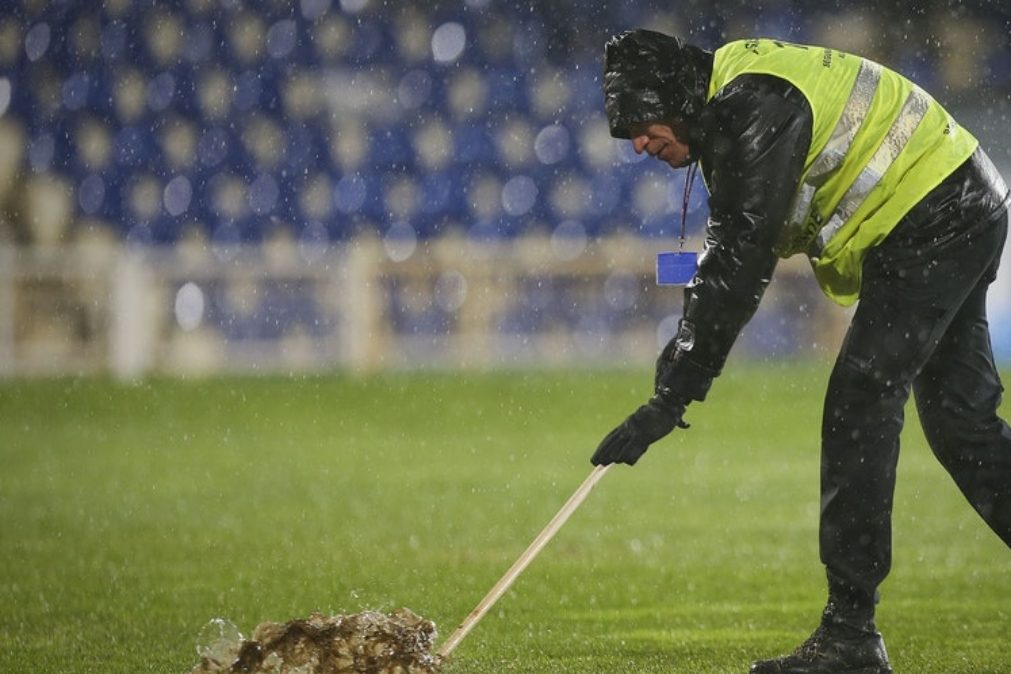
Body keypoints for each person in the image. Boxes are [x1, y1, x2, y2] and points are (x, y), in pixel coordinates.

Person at [592, 30, 1011, 674]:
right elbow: (730, 252)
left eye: (642, 124)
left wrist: (674, 394)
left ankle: (850, 636)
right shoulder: (733, 99)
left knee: (861, 401)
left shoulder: (749, 108)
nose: (639, 143)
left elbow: (741, 258)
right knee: (961, 424)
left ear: (676, 96)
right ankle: (850, 633)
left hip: (936, 212)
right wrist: (683, 356)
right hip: (962, 196)